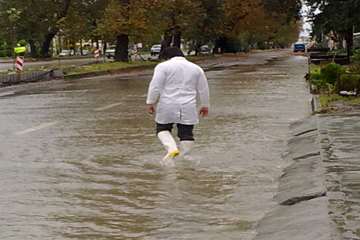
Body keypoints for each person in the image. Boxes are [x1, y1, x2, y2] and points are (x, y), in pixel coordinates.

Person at [146, 47, 210, 166]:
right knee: (186, 133)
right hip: (188, 105)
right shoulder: (196, 69)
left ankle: (171, 149)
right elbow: (203, 89)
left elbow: (155, 86)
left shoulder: (163, 67)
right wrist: (205, 105)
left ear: (167, 56)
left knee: (162, 128)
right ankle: (184, 158)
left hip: (167, 104)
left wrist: (150, 102)